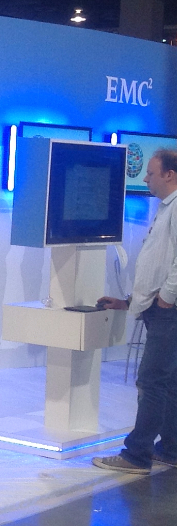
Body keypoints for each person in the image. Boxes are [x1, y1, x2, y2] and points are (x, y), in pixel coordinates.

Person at [94, 148, 177, 474]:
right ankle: (170, 449)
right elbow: (158, 266)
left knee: (152, 382)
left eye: (151, 173)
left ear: (169, 174)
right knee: (168, 382)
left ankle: (137, 455)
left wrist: (166, 298)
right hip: (162, 308)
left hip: (169, 311)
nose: (145, 179)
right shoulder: (166, 208)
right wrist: (129, 301)